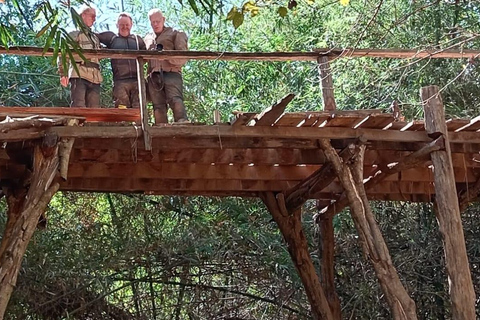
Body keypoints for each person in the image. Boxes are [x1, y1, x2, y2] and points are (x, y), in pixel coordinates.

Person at [144, 8, 189, 124]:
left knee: (175, 100)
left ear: (163, 19)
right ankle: (161, 128)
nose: (155, 24)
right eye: (153, 22)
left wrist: (166, 55)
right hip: (153, 76)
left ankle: (182, 123)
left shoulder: (175, 33)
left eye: (158, 21)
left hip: (171, 72)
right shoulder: (147, 38)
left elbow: (183, 58)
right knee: (158, 106)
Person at [97, 13, 146, 109]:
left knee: (139, 110)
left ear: (131, 25)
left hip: (137, 81)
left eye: (127, 24)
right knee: (122, 109)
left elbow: (147, 54)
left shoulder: (137, 39)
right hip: (120, 82)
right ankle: (124, 124)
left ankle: (139, 124)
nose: (124, 27)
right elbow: (94, 36)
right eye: (121, 25)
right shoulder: (111, 38)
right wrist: (101, 49)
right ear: (117, 25)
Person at [58, 5, 102, 108]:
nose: (94, 19)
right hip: (79, 74)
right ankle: (76, 124)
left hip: (95, 77)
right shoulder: (73, 34)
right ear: (82, 16)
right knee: (78, 107)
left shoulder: (95, 37)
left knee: (94, 110)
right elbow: (63, 54)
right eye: (92, 16)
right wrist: (63, 73)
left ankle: (90, 125)